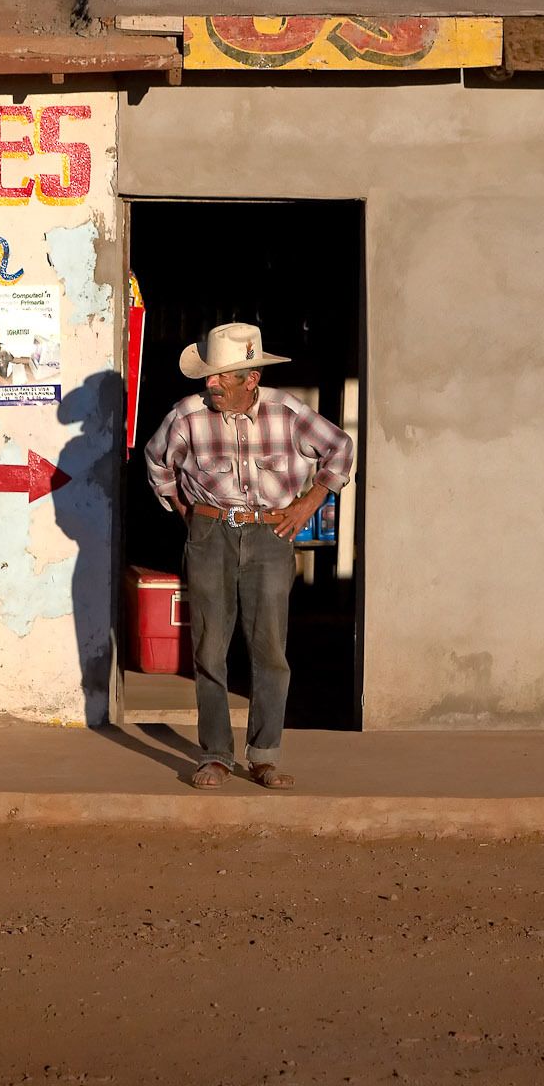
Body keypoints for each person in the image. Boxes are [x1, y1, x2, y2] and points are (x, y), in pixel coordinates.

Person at [144, 322, 354, 790]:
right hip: (209, 534)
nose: (211, 384)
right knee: (209, 648)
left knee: (269, 650)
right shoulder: (186, 415)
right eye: (210, 376)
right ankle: (215, 754)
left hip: (269, 536)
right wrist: (188, 512)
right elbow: (157, 461)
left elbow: (340, 448)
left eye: (222, 376)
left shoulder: (288, 412)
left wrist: (308, 504)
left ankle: (264, 755)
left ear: (251, 379)